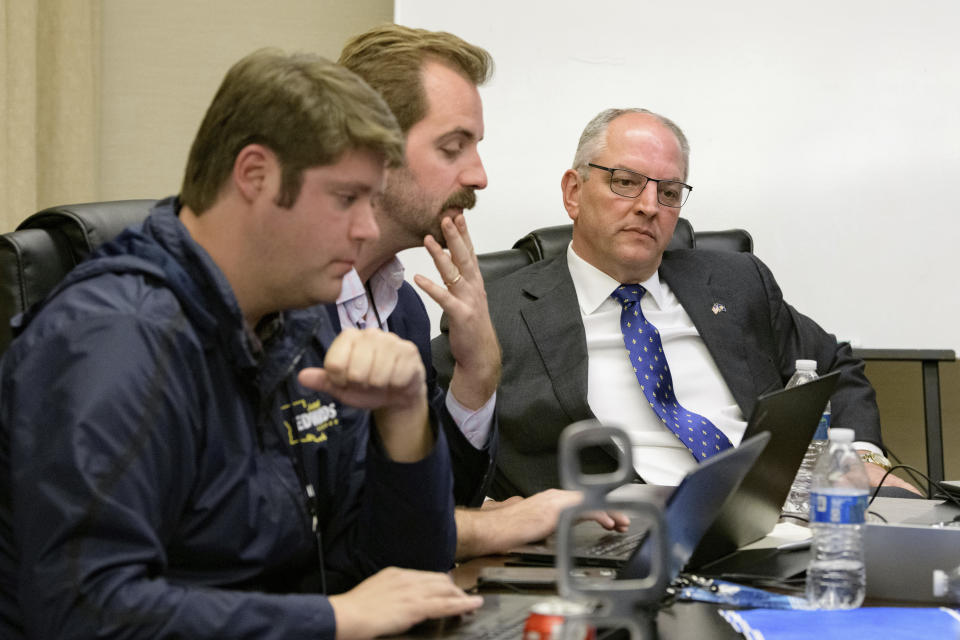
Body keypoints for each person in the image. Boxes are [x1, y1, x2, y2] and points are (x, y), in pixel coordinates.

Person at [0, 49, 482, 640]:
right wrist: (333, 618)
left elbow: (405, 577)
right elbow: (86, 611)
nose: (364, 228)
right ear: (254, 175)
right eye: (345, 199)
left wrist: (405, 422)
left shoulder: (297, 322)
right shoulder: (115, 339)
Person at [434, 107, 920, 499]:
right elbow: (446, 456)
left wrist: (859, 459)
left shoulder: (735, 282)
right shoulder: (497, 313)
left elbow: (834, 366)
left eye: (668, 192)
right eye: (625, 181)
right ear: (574, 192)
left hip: (777, 522)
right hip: (623, 545)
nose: (649, 206)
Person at [337, 25, 627, 559]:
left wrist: (477, 374)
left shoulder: (400, 307)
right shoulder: (279, 307)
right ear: (366, 150)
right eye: (453, 148)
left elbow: (434, 501)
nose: (480, 175)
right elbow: (340, 528)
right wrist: (507, 521)